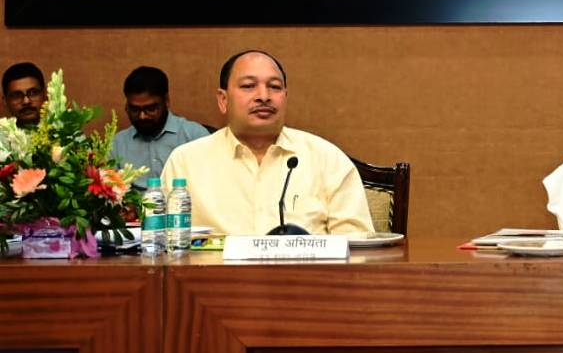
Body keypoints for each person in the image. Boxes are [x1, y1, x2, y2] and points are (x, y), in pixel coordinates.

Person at [162, 50, 373, 236]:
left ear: (285, 97)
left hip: (305, 270)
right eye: (248, 86)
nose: (264, 96)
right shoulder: (186, 162)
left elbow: (357, 245)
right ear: (223, 100)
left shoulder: (326, 159)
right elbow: (162, 246)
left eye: (274, 87)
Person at [110, 66, 210, 190]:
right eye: (135, 109)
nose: (142, 116)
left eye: (150, 109)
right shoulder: (117, 144)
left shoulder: (195, 136)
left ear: (166, 101)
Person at [3, 62, 46, 129]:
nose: (26, 101)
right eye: (17, 96)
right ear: (5, 101)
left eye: (33, 93)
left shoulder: (62, 130)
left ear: (45, 94)